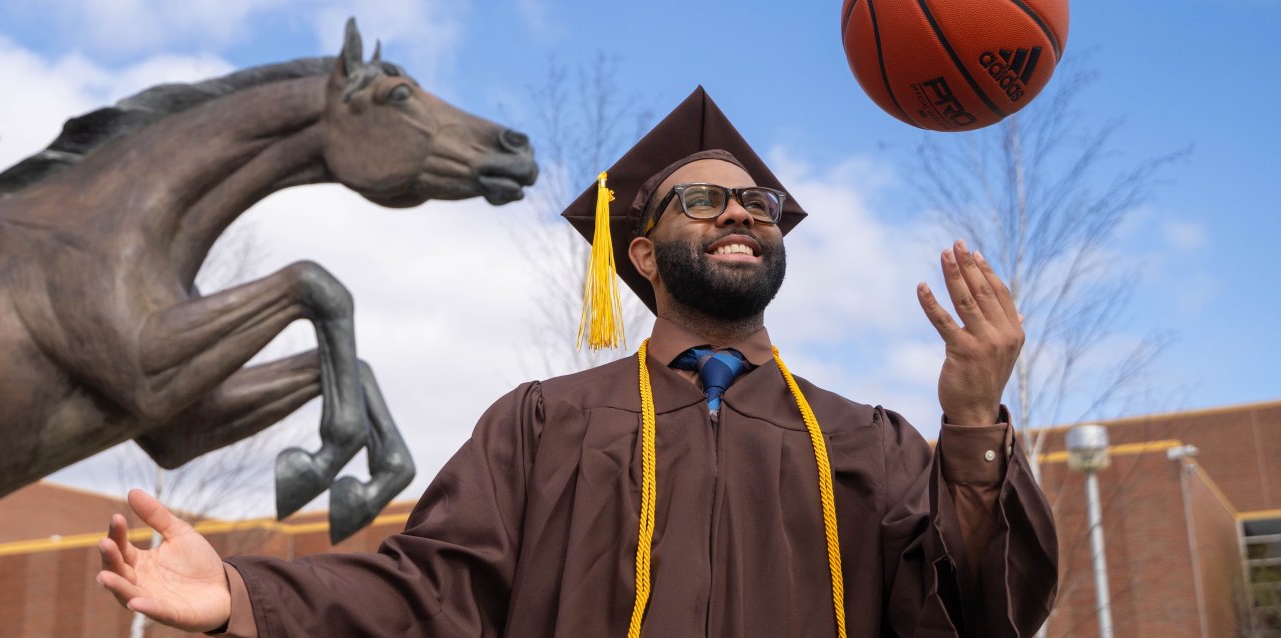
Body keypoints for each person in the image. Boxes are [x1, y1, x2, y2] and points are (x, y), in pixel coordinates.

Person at [96, 87, 1057, 637]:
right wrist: (244, 592)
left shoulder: (870, 444)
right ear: (640, 253)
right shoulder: (542, 424)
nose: (739, 213)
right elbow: (431, 592)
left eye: (757, 205)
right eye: (703, 201)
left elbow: (981, 611)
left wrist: (974, 428)